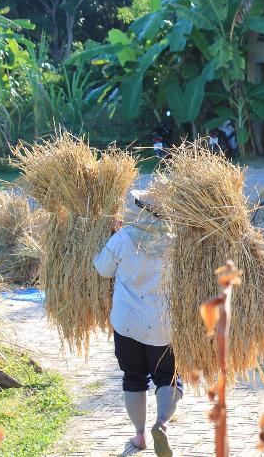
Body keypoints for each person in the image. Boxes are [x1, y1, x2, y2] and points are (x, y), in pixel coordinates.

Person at [93, 191, 182, 456]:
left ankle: (141, 435)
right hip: (163, 325)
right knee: (168, 377)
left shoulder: (122, 239)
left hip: (127, 323)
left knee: (133, 377)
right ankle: (162, 424)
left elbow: (102, 269)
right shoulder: (176, 242)